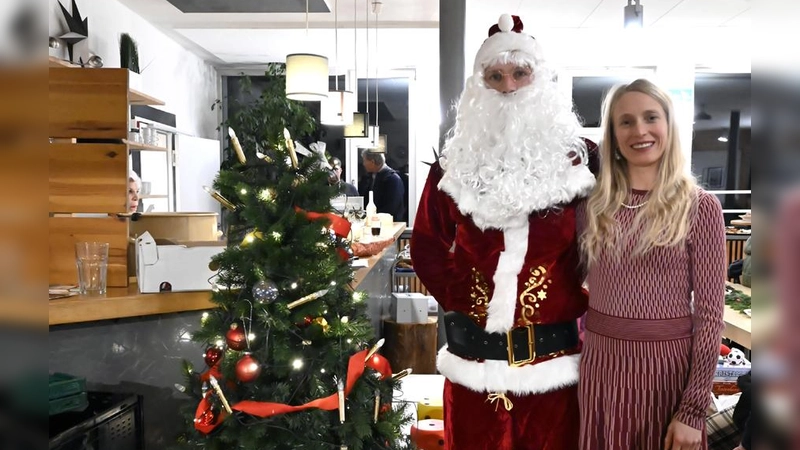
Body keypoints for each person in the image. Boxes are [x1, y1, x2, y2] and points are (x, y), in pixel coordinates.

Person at [411, 14, 597, 450]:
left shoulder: (581, 159)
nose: (509, 86)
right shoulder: (453, 165)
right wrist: (464, 295)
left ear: (539, 79)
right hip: (473, 367)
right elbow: (426, 243)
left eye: (519, 73)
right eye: (495, 76)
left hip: (555, 370)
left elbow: (610, 237)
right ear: (481, 87)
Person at [577, 79, 726, 450]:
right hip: (600, 371)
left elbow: (710, 318)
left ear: (668, 125)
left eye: (650, 117)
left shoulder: (700, 208)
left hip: (665, 376)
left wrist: (692, 411)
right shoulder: (591, 206)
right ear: (612, 134)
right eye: (625, 121)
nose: (639, 130)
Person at [358, 148, 405, 221]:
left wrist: (373, 217)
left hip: (389, 225)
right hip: (376, 222)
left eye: (365, 161)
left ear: (372, 162)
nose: (363, 164)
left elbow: (391, 207)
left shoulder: (392, 179)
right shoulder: (371, 177)